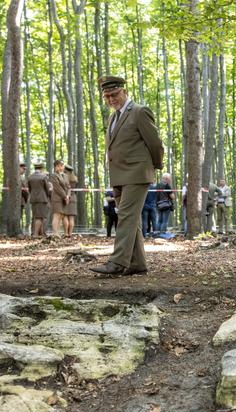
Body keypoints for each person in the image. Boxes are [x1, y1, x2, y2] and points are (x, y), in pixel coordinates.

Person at [90, 75, 164, 275]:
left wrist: (153, 167)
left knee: (126, 217)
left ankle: (117, 262)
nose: (111, 99)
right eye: (107, 96)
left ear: (124, 91)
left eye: (114, 94)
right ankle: (137, 264)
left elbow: (155, 143)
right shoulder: (113, 117)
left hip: (137, 174)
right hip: (119, 175)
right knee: (130, 219)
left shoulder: (139, 112)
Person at [27, 162, 51, 237]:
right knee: (40, 217)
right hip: (42, 199)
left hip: (33, 198)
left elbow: (29, 189)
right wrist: (48, 195)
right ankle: (36, 234)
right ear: (42, 168)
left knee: (35, 216)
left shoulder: (30, 177)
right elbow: (47, 189)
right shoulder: (43, 177)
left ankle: (41, 233)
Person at [49, 159, 70, 236]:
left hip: (65, 199)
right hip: (57, 198)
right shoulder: (54, 175)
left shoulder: (66, 176)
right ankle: (55, 233)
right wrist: (65, 196)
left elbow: (68, 187)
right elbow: (57, 187)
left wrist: (68, 196)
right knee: (56, 215)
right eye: (58, 166)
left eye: (62, 166)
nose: (60, 167)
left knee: (61, 215)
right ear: (55, 167)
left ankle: (57, 233)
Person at [62, 165, 77, 236]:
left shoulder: (63, 178)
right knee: (71, 217)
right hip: (73, 198)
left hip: (65, 197)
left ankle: (66, 233)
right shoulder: (75, 179)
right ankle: (70, 233)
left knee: (65, 216)